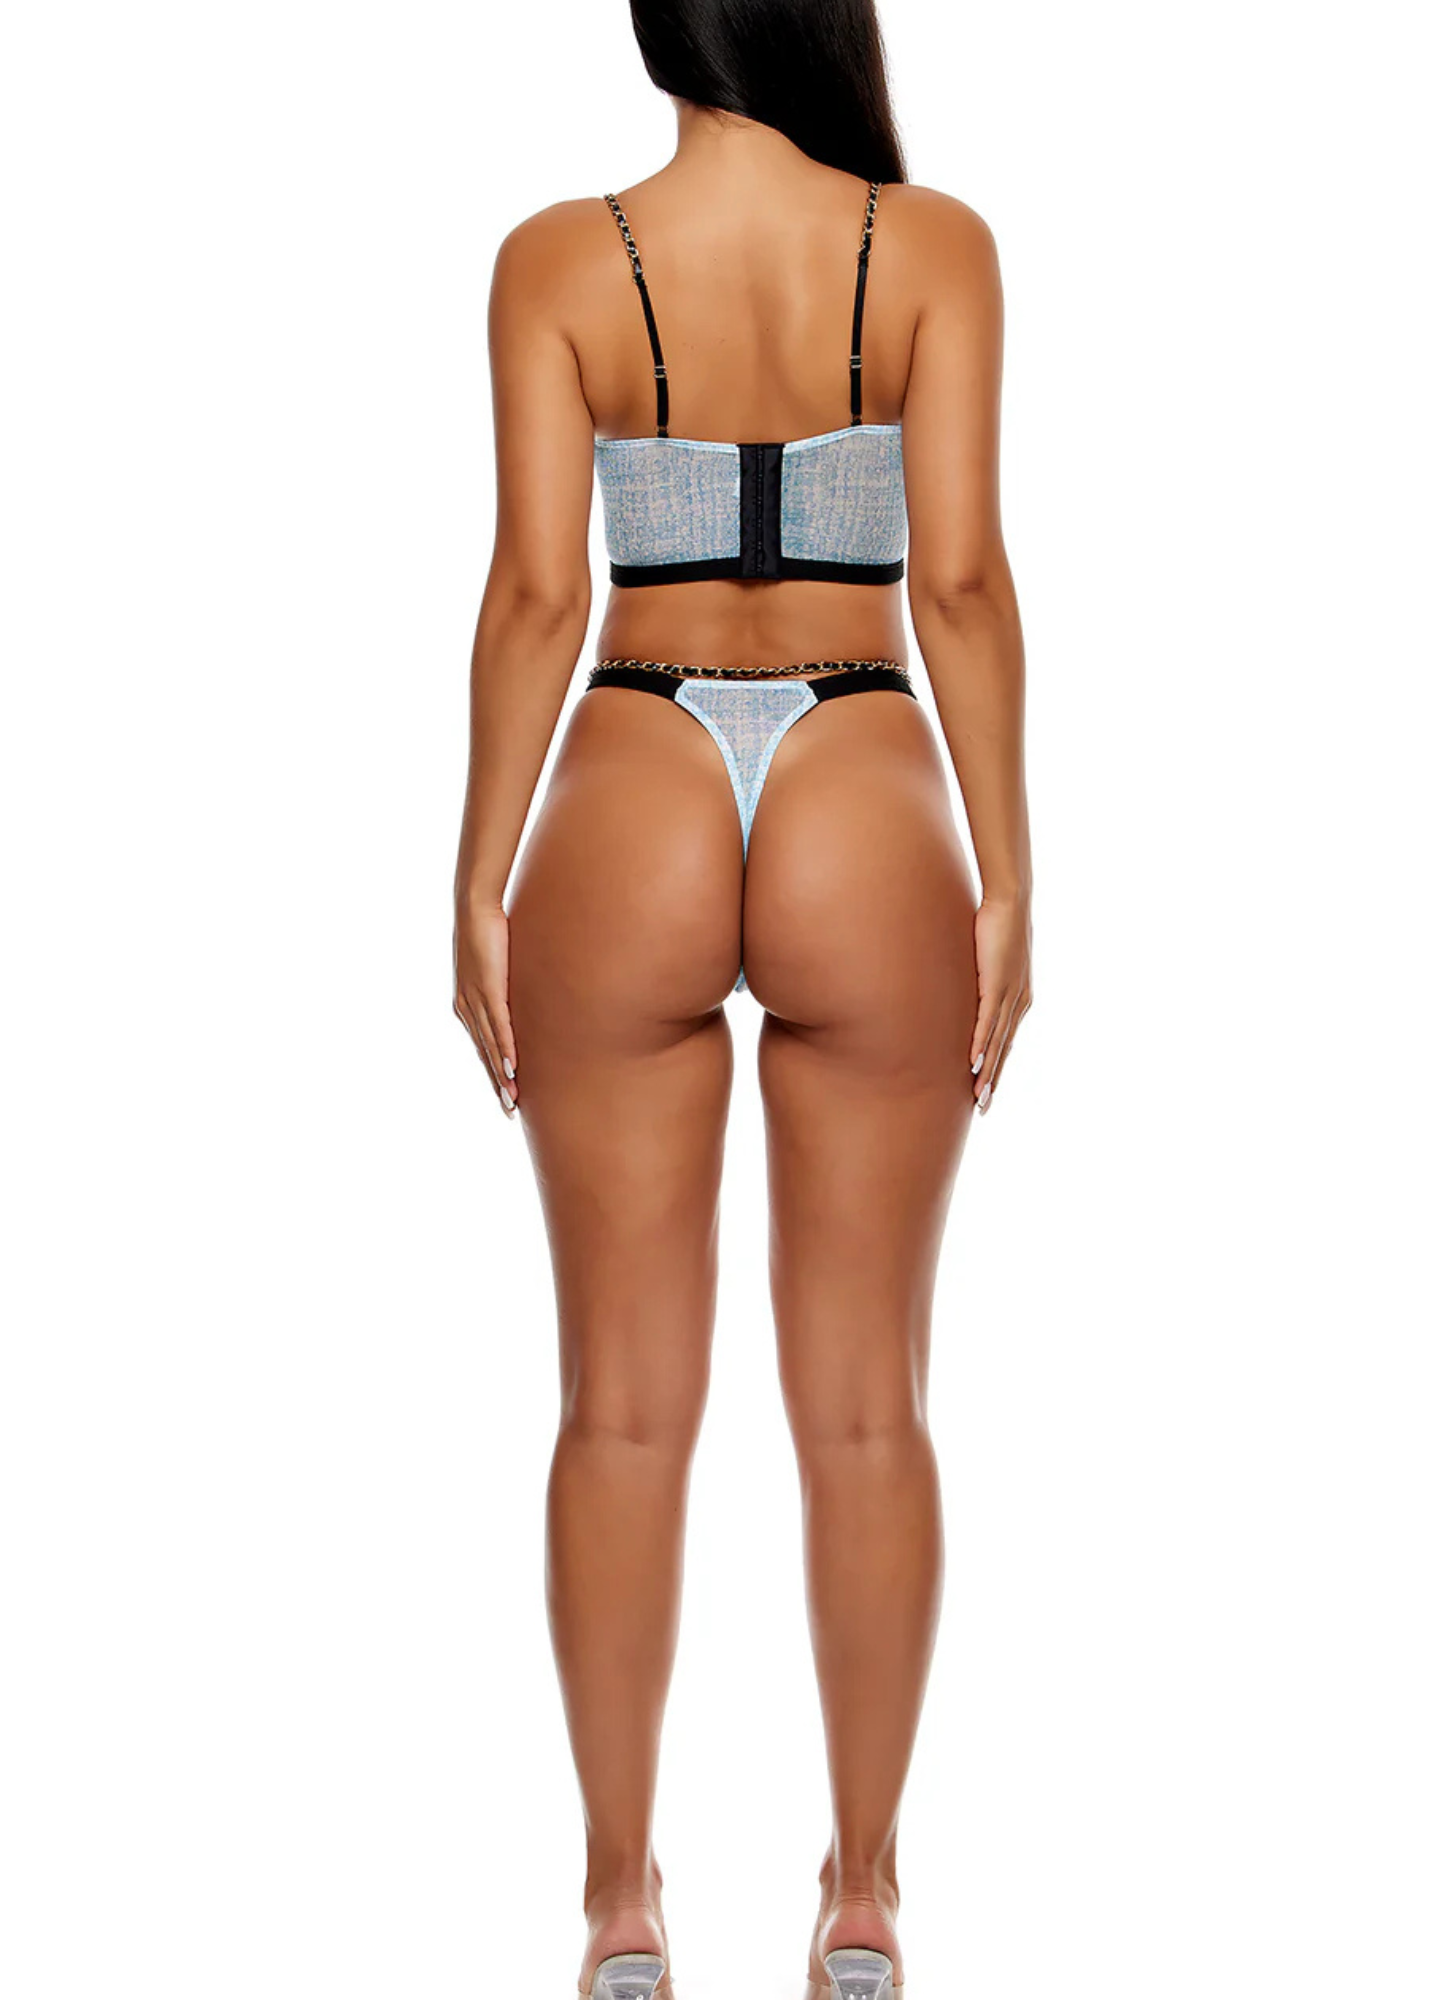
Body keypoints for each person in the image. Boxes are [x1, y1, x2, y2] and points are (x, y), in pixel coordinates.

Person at [452, 4, 1032, 1993]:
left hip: (633, 766)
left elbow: (541, 594)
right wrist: (1011, 872)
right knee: (867, 1405)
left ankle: (621, 1902)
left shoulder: (564, 259)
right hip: (866, 764)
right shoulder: (929, 248)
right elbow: (960, 585)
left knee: (620, 1407)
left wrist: (478, 874)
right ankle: (862, 1892)